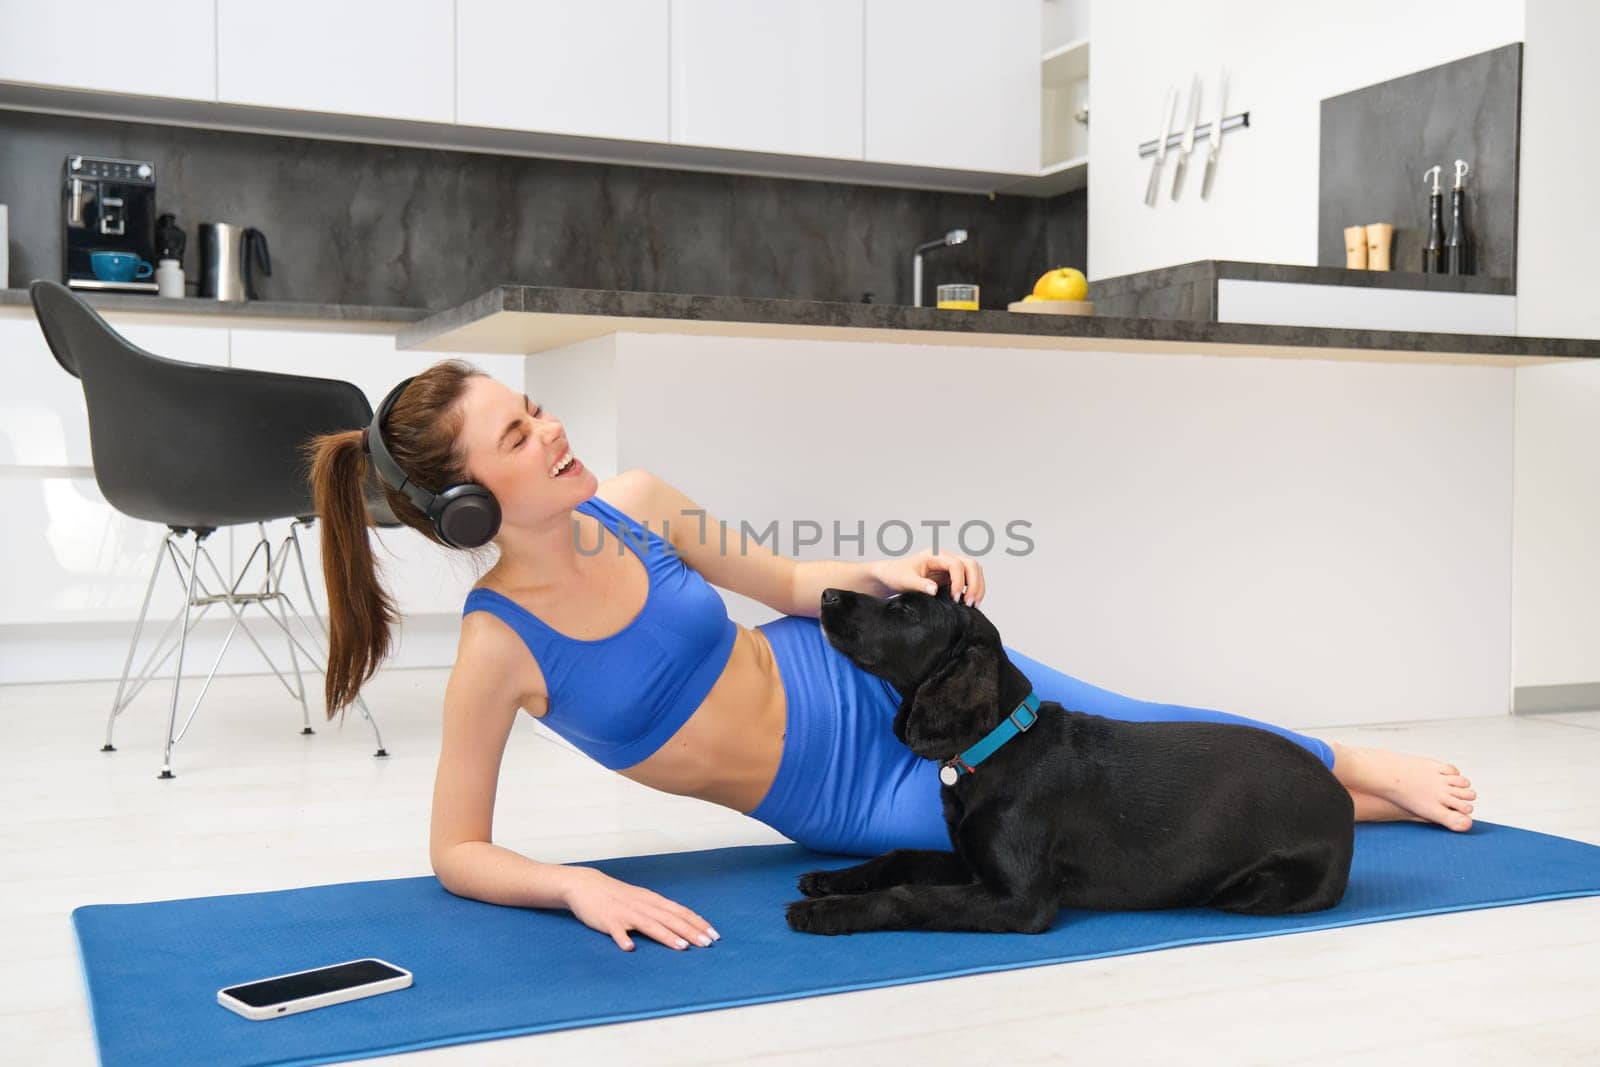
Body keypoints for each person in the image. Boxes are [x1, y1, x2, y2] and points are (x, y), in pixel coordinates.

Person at [307, 360, 1477, 955]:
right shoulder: (498, 648)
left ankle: (1344, 759)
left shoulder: (638, 502)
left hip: (844, 666)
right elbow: (454, 847)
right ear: (466, 507)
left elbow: (784, 585)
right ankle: (1336, 803)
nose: (553, 429)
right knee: (1082, 826)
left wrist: (886, 570)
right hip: (847, 790)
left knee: (1112, 723)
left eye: (537, 406)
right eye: (518, 434)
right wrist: (573, 882)